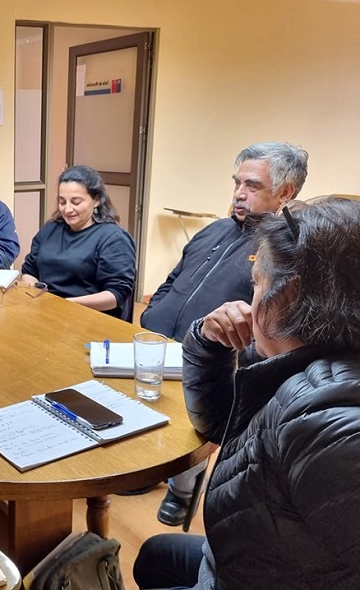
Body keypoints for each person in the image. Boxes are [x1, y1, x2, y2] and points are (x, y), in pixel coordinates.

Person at [133, 197, 360, 590]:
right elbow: (221, 426)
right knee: (154, 555)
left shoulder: (331, 421)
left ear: (290, 295)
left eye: (257, 284)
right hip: (246, 561)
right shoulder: (300, 353)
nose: (250, 299)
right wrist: (208, 342)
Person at [140, 142, 308, 526]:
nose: (238, 193)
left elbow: (274, 328)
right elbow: (171, 280)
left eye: (251, 185)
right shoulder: (215, 229)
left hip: (217, 361)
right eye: (237, 183)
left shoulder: (284, 250)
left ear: (285, 192)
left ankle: (182, 486)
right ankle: (147, 467)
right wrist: (153, 312)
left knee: (193, 419)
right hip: (161, 342)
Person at [21, 166, 135, 320]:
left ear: (96, 200)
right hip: (46, 311)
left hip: (88, 318)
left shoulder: (113, 238)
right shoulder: (51, 229)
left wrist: (66, 304)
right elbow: (29, 269)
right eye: (62, 202)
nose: (67, 209)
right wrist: (35, 293)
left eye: (76, 202)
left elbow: (116, 294)